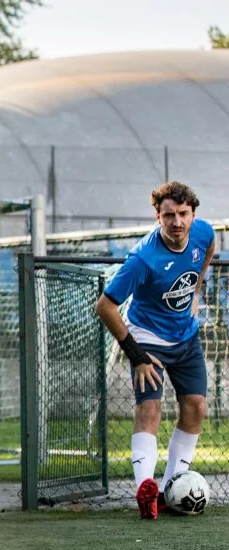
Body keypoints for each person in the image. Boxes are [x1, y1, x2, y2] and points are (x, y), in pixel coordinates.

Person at [95, 181, 215, 519]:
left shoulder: (203, 233)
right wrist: (136, 355)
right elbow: (105, 306)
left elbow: (207, 252)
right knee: (149, 409)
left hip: (186, 338)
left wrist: (195, 294)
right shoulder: (142, 259)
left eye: (183, 214)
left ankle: (172, 487)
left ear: (193, 214)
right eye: (168, 215)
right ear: (157, 216)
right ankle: (145, 491)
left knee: (197, 406)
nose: (177, 222)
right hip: (147, 340)